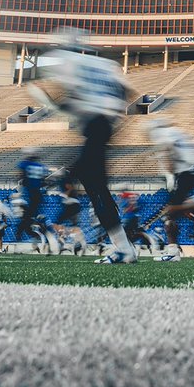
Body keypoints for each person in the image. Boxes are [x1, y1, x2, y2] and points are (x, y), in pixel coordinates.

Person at [31, 27, 139, 265]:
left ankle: (124, 249)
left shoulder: (69, 62)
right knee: (94, 185)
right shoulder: (107, 65)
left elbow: (72, 99)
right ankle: (123, 245)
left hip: (94, 126)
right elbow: (126, 92)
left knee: (96, 189)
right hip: (106, 126)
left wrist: (53, 104)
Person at [145, 118, 194, 262]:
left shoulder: (163, 133)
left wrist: (170, 169)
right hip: (189, 172)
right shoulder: (177, 132)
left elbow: (169, 149)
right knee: (172, 215)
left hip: (183, 174)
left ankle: (173, 252)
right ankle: (173, 251)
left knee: (169, 214)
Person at [12, 148, 48, 246]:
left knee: (26, 219)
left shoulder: (25, 164)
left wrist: (22, 183)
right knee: (28, 219)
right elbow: (43, 182)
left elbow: (21, 176)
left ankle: (21, 237)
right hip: (38, 195)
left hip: (29, 195)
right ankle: (38, 233)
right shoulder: (41, 166)